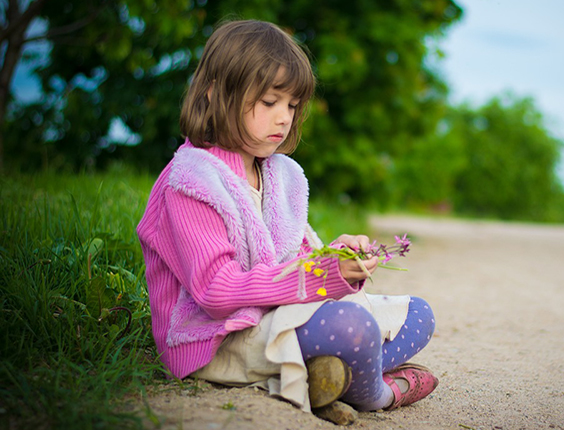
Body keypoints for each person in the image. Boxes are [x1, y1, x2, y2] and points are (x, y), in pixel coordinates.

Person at [136, 19, 438, 416]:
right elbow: (216, 292)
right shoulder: (192, 181)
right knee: (353, 327)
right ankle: (376, 392)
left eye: (292, 106)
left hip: (274, 317)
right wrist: (321, 276)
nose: (285, 118)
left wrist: (336, 256)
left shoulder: (278, 174)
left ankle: (329, 377)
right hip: (217, 338)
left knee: (418, 313)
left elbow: (293, 260)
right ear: (214, 93)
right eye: (269, 103)